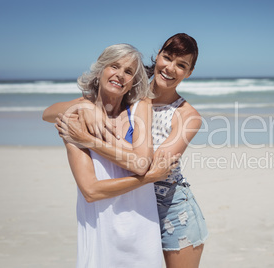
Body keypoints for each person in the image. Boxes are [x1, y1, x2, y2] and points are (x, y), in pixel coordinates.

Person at [45, 33, 208, 268]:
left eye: (181, 65)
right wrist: (82, 105)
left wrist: (89, 139)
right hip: (131, 202)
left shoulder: (187, 116)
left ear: (189, 73)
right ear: (158, 55)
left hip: (172, 209)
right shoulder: (130, 91)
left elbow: (152, 167)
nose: (170, 68)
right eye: (167, 57)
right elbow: (49, 113)